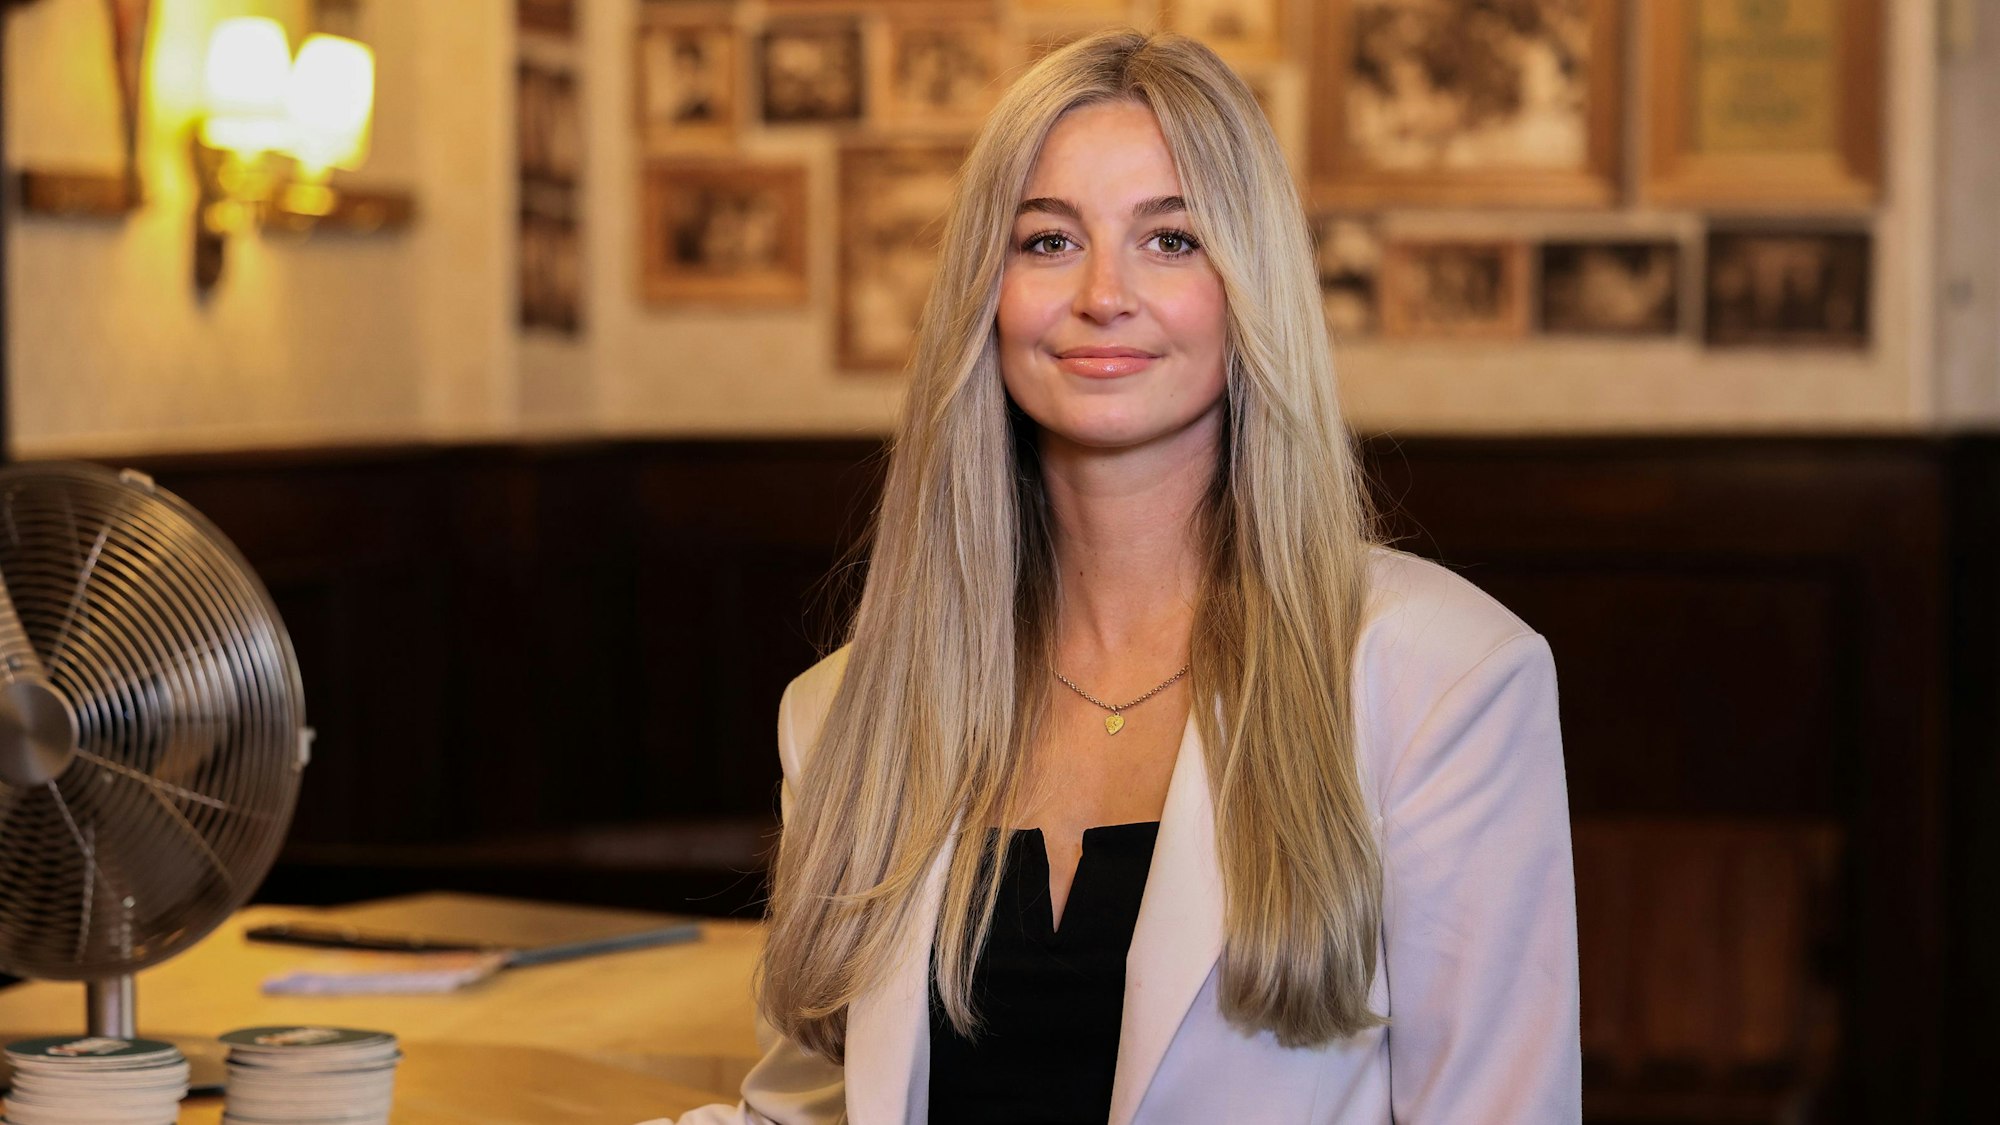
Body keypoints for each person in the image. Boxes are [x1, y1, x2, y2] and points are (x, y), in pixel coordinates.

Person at [647, 28, 1578, 1125]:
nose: (1102, 294)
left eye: (1170, 239)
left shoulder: (1446, 679)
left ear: (1251, 288)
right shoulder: (844, 711)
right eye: (1046, 241)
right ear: (982, 296)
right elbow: (809, 1109)